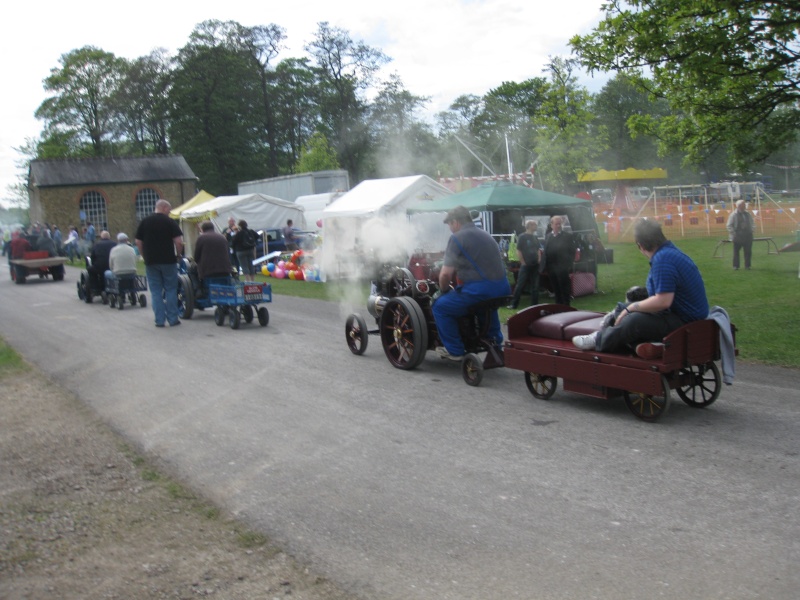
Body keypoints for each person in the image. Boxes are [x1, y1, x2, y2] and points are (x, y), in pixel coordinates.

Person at [572, 219, 709, 358]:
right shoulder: (669, 252)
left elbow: (663, 301)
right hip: (678, 314)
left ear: (640, 245)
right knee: (621, 308)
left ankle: (600, 341)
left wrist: (631, 309)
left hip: (686, 321)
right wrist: (627, 308)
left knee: (634, 321)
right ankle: (640, 344)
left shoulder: (663, 259)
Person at [431, 205, 512, 360]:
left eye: (449, 224)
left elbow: (445, 274)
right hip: (503, 288)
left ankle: (455, 350)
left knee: (440, 306)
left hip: (480, 290)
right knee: (487, 306)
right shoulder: (486, 235)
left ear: (455, 222)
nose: (450, 228)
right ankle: (494, 342)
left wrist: (443, 290)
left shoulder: (456, 238)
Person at [135, 199, 184, 328]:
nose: (170, 212)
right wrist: (178, 254)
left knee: (156, 291)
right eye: (169, 209)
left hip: (151, 261)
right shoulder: (170, 222)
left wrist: (144, 256)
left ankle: (159, 320)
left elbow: (138, 242)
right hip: (168, 260)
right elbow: (178, 242)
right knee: (171, 289)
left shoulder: (145, 222)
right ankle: (173, 319)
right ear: (163, 207)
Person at [507, 220, 541, 309]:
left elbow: (538, 249)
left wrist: (539, 259)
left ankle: (534, 305)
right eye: (535, 225)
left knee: (535, 286)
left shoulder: (535, 237)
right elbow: (518, 250)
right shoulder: (522, 237)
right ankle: (514, 304)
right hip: (525, 265)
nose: (536, 226)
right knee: (520, 284)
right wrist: (523, 262)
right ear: (529, 226)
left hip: (535, 264)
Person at [542, 215, 575, 306]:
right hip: (551, 266)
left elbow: (572, 250)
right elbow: (546, 250)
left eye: (560, 224)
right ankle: (558, 304)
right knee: (555, 287)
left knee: (564, 286)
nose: (558, 226)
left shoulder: (567, 236)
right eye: (556, 224)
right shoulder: (548, 236)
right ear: (551, 225)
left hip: (562, 266)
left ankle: (566, 305)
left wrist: (568, 263)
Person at [193, 220, 233, 294]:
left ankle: (198, 289)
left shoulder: (201, 238)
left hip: (208, 270)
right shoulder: (222, 237)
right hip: (225, 269)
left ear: (202, 229)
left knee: (191, 270)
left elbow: (196, 257)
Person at [726, 199, 755, 270]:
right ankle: (736, 266)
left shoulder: (748, 214)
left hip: (748, 235)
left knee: (748, 251)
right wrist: (734, 233)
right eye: (743, 205)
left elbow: (752, 223)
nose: (745, 206)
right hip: (737, 236)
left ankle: (747, 266)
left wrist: (752, 230)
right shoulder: (733, 215)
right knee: (736, 252)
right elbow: (729, 225)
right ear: (739, 206)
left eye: (745, 204)